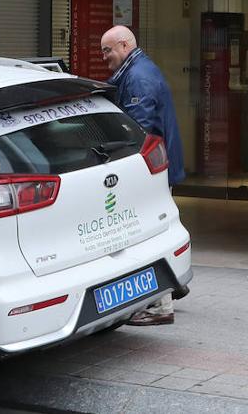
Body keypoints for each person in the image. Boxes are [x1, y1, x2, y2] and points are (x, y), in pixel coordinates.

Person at [100, 25, 185, 326]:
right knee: (159, 226)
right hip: (157, 167)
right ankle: (172, 284)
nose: (105, 57)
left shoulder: (138, 78)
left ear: (124, 45)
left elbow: (140, 129)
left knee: (150, 232)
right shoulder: (138, 71)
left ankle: (160, 305)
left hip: (150, 170)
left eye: (108, 50)